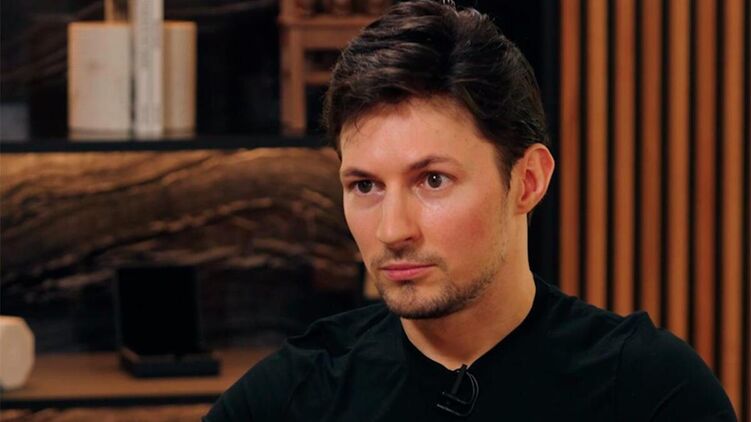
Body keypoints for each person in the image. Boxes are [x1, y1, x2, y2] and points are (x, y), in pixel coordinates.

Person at [205, 1, 737, 420]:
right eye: (366, 185)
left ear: (527, 181)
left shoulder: (650, 391)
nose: (392, 230)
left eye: (432, 180)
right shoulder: (295, 394)